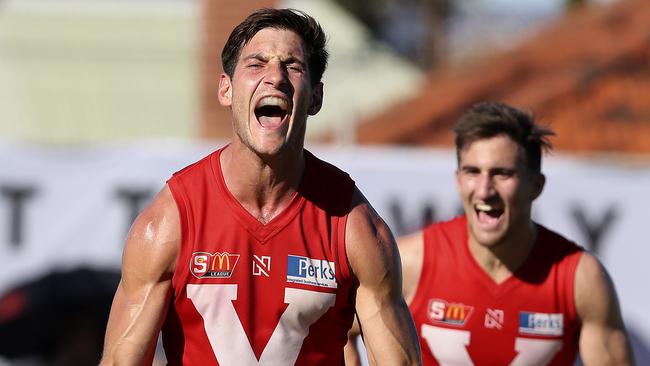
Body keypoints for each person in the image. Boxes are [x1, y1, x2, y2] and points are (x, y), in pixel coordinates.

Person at [99, 8, 421, 366]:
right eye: (257, 64)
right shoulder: (168, 222)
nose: (275, 78)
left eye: (293, 66)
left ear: (315, 98)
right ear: (226, 88)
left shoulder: (356, 227)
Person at [345, 102, 635, 365]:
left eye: (502, 174)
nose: (484, 190)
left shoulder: (580, 278)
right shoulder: (410, 262)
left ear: (535, 186)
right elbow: (341, 332)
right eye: (472, 172)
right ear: (458, 181)